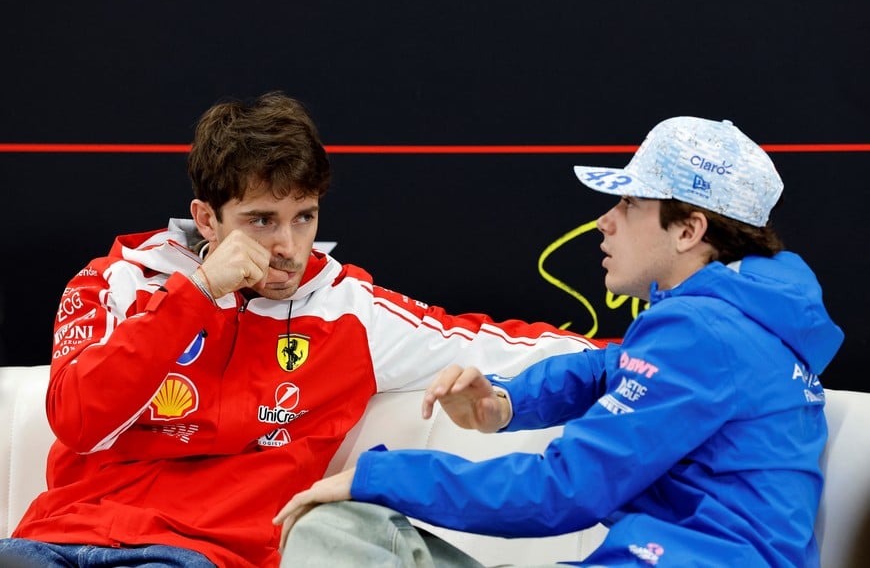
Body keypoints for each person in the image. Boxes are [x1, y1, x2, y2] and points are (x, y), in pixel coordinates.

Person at [0, 92, 598, 568]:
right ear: (207, 217)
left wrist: (658, 354)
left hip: (195, 556)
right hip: (49, 541)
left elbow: (509, 343)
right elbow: (78, 420)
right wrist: (199, 294)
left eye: (303, 217)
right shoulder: (118, 282)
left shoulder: (350, 312)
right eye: (261, 221)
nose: (286, 247)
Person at [274, 116, 845, 567]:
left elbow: (562, 491)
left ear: (689, 230)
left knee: (342, 530)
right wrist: (504, 403)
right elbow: (606, 368)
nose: (605, 221)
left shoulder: (704, 334)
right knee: (345, 531)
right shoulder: (740, 319)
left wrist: (380, 476)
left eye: (629, 204)